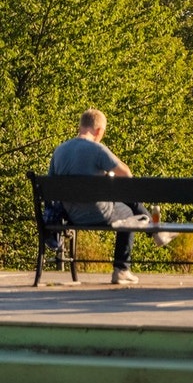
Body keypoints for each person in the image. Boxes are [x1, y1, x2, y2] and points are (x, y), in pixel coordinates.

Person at [47, 108, 172, 285]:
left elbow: (51, 186)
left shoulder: (59, 151)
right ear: (98, 130)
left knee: (128, 202)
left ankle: (156, 231)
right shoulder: (96, 149)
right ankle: (123, 268)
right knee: (132, 214)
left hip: (71, 215)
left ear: (81, 126)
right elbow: (127, 175)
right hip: (98, 213)